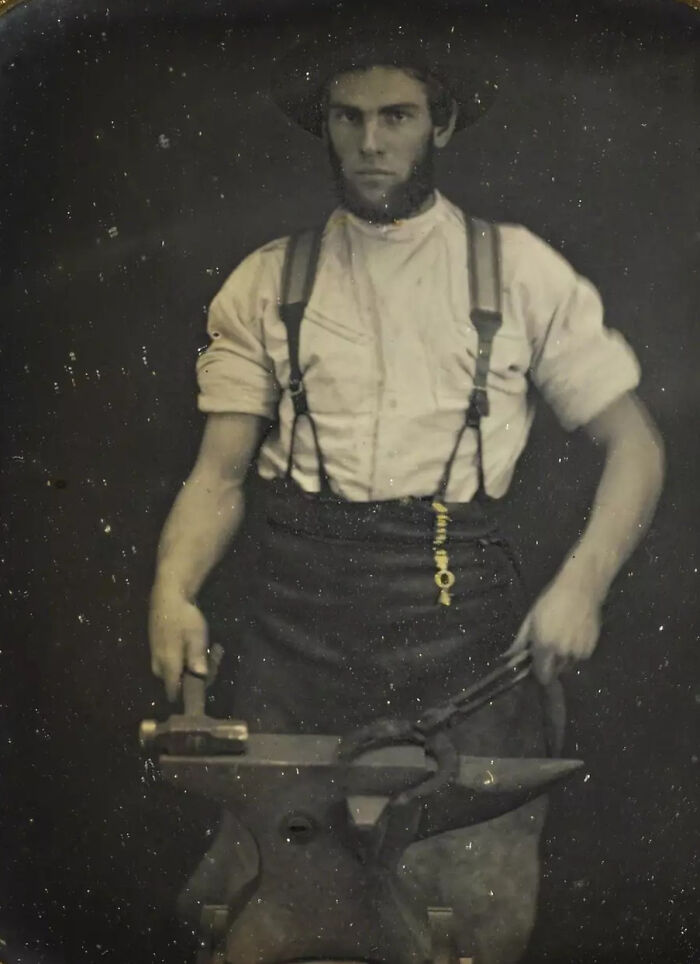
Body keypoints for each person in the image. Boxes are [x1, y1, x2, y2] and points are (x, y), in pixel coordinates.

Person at [148, 24, 664, 964]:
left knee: (463, 921)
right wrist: (173, 591)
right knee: (265, 916)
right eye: (349, 119)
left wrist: (582, 583)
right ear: (326, 126)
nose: (372, 143)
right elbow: (218, 476)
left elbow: (636, 444)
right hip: (295, 648)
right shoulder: (270, 281)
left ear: (443, 124)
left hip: (465, 654)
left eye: (398, 116)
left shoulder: (517, 271)